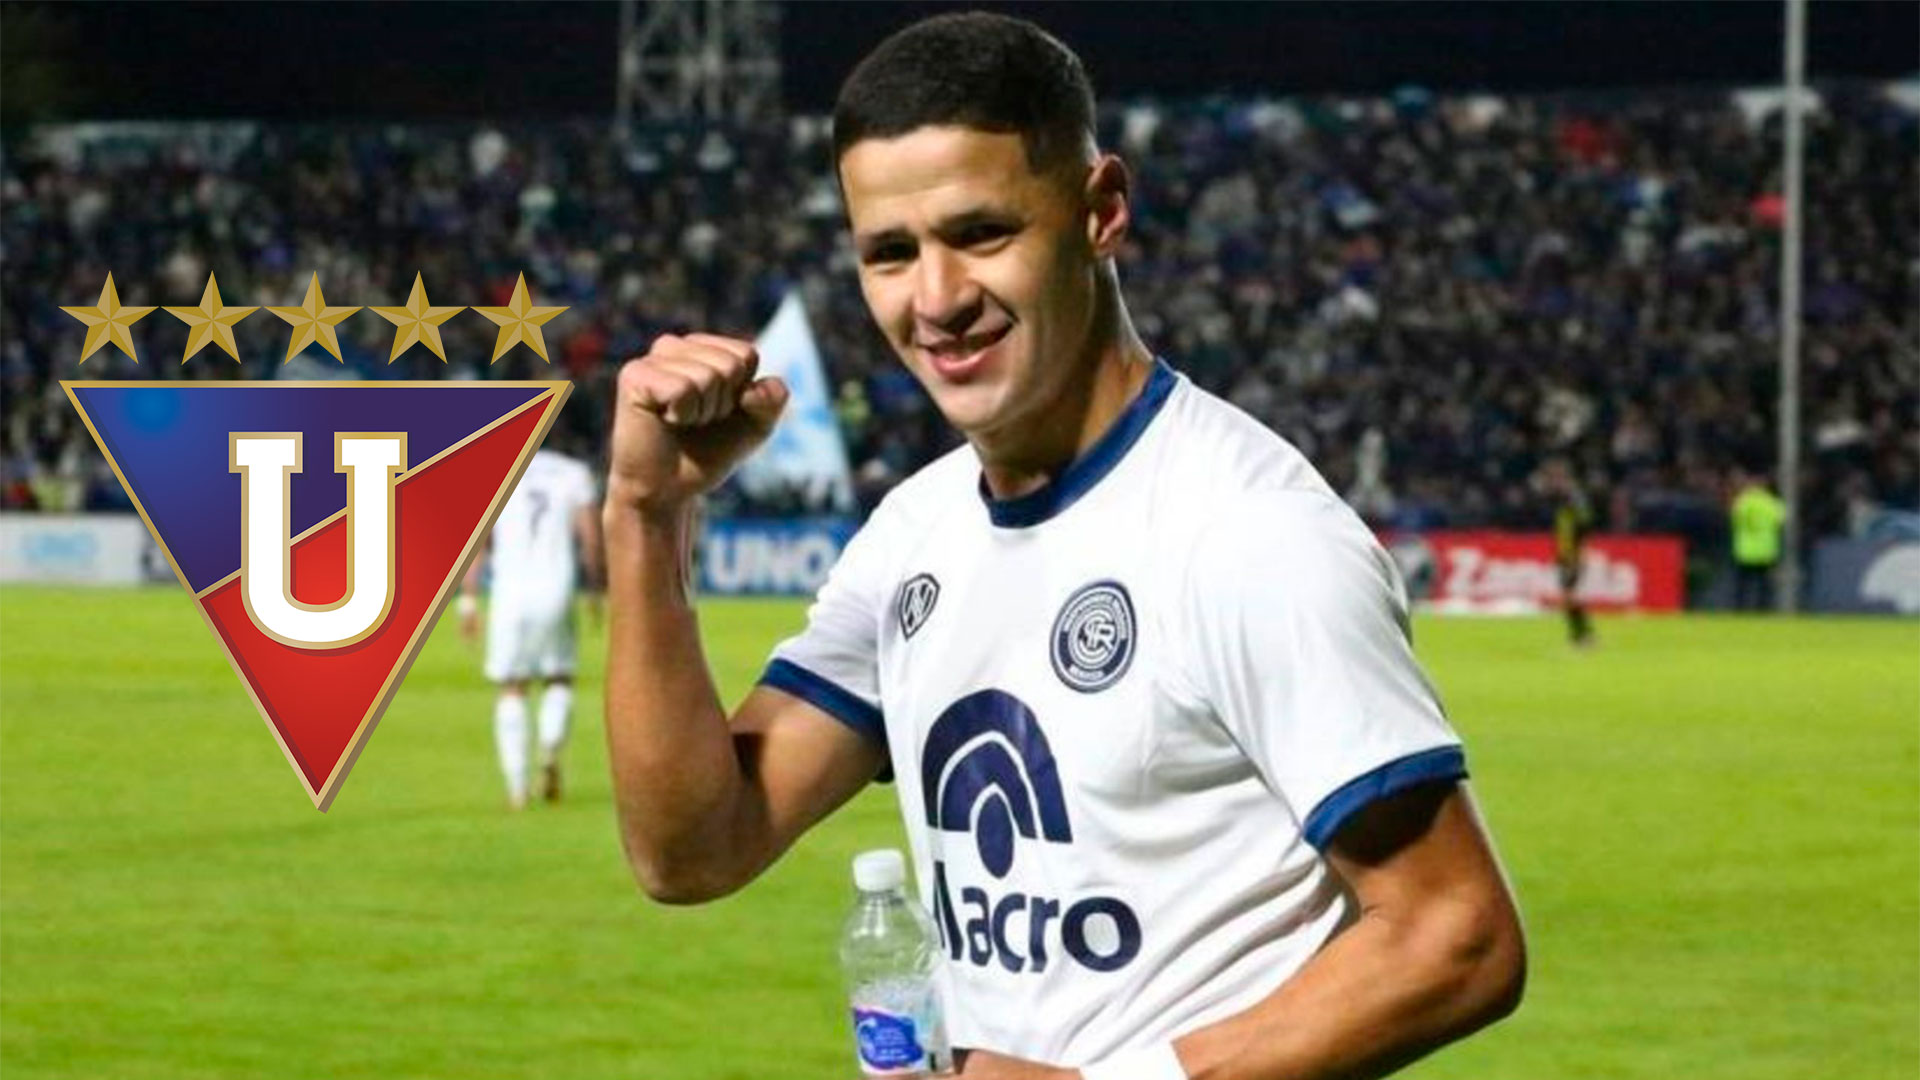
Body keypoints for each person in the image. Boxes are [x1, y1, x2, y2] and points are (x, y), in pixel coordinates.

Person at [600, 13, 1524, 1079]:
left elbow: (1457, 936)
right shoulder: (915, 533)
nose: (937, 299)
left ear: (1101, 210)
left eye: (982, 234)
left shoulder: (1246, 532)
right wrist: (646, 518)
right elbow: (692, 851)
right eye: (891, 253)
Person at [462, 435, 602, 810]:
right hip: (557, 587)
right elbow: (590, 538)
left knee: (512, 686)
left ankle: (517, 788)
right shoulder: (574, 474)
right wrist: (595, 589)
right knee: (559, 677)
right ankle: (551, 752)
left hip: (510, 592)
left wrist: (469, 601)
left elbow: (478, 541)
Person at [1543, 457, 1596, 647]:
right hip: (1565, 553)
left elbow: (1584, 525)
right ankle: (1581, 635)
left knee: (1569, 595)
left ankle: (1583, 637)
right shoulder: (1561, 499)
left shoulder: (1573, 498)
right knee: (1568, 595)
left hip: (1573, 554)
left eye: (1555, 478)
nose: (1552, 482)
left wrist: (1580, 552)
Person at [1729, 470, 1787, 612]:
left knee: (1742, 585)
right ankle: (1763, 611)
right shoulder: (1773, 503)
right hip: (1766, 550)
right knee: (1764, 585)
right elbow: (1781, 522)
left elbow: (1734, 519)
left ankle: (1740, 610)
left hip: (1745, 550)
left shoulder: (1743, 501)